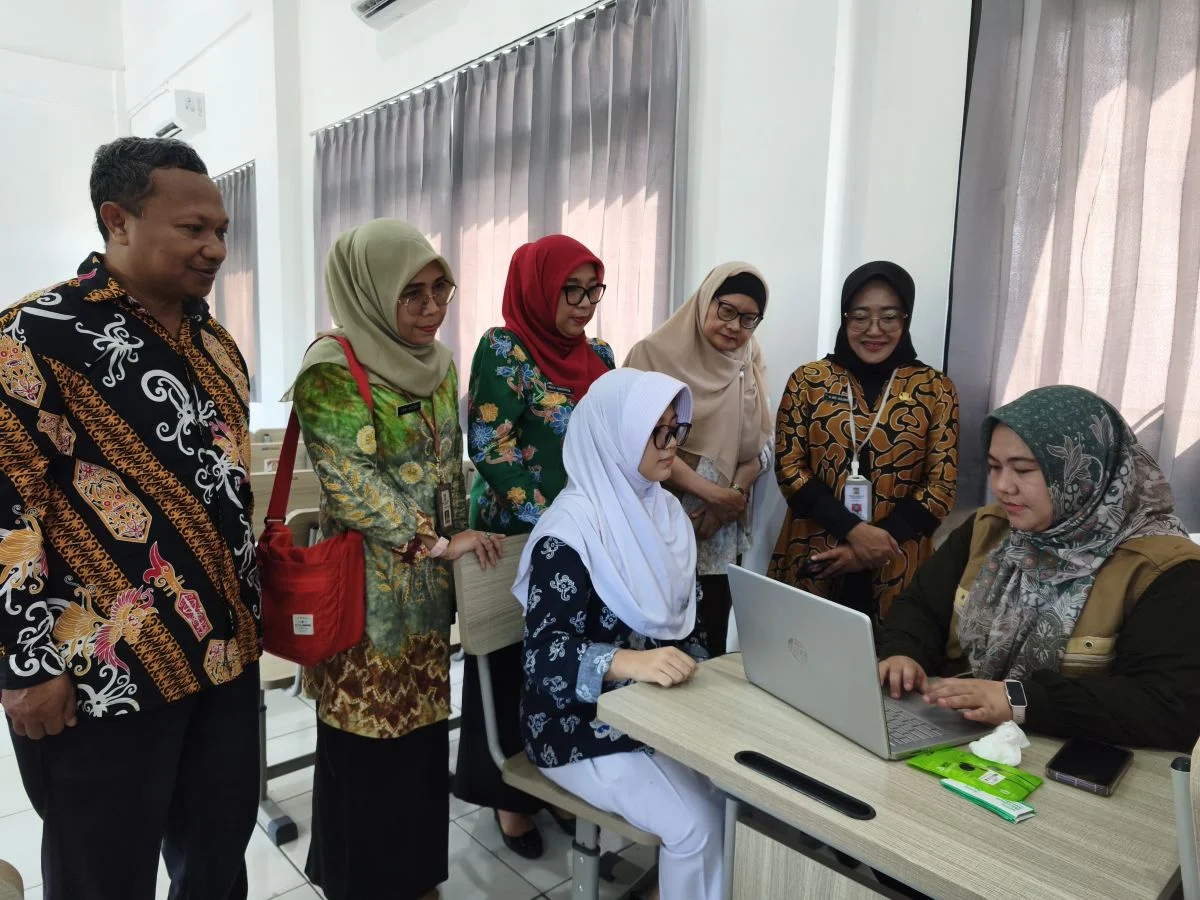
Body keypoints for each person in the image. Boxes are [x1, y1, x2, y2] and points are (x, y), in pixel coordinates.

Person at [0, 137, 260, 899]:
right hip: (104, 675)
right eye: (192, 229)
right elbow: (4, 515)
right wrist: (24, 664)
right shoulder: (30, 339)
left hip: (223, 654)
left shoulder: (215, 343)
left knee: (216, 859)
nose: (215, 247)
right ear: (118, 221)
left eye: (221, 229)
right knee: (100, 874)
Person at [290, 219, 501, 900]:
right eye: (412, 294)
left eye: (441, 290)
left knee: (418, 739)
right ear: (372, 291)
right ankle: (356, 881)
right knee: (363, 741)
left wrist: (456, 539)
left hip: (427, 593)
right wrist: (439, 541)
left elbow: (449, 465)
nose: (432, 309)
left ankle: (413, 876)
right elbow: (353, 486)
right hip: (365, 594)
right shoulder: (331, 367)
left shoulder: (440, 365)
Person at [877, 385, 1200, 752]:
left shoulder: (1166, 571)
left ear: (1083, 472)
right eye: (994, 467)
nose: (1002, 487)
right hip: (962, 735)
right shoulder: (990, 530)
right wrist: (903, 651)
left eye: (1024, 470)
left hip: (1066, 757)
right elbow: (921, 606)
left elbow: (1166, 705)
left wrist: (1019, 700)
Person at [515, 368, 724, 900]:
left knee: (732, 795)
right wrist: (632, 664)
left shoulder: (665, 512)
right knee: (695, 824)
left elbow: (687, 625)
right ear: (614, 436)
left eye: (675, 429)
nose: (671, 446)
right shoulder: (571, 533)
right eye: (656, 431)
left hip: (654, 711)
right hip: (573, 724)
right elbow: (543, 662)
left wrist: (704, 675)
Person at [455, 235, 615, 855]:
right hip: (516, 535)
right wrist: (552, 524)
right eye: (568, 291)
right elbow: (490, 446)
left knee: (568, 655)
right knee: (506, 660)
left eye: (591, 290)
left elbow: (608, 440)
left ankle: (563, 775)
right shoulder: (503, 349)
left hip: (585, 535)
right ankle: (509, 798)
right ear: (538, 289)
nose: (582, 305)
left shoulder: (599, 354)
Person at [769, 261, 958, 621]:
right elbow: (789, 468)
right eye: (860, 316)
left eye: (889, 317)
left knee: (891, 669)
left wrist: (871, 547)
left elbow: (941, 486)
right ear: (844, 318)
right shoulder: (809, 380)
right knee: (800, 661)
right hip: (815, 555)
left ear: (906, 319)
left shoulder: (935, 389)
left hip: (899, 562)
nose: (874, 330)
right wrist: (853, 530)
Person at [625, 263, 773, 656]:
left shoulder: (749, 358)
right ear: (705, 301)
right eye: (726, 310)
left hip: (721, 533)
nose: (734, 326)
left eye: (748, 318)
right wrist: (713, 495)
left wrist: (731, 498)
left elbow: (761, 444)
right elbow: (638, 445)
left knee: (710, 644)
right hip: (662, 522)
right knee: (659, 645)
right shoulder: (652, 355)